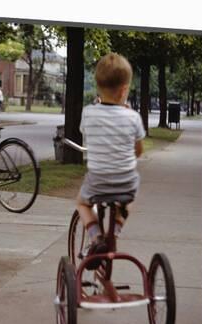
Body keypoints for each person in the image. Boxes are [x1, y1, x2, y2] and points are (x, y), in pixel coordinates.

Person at [76, 52, 145, 269]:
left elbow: (87, 136)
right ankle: (114, 233)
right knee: (129, 200)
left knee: (81, 203)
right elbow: (139, 151)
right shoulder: (133, 117)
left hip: (98, 181)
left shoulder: (88, 113)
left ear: (97, 86)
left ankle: (96, 237)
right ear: (125, 89)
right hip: (126, 181)